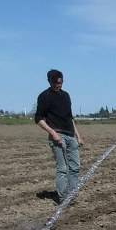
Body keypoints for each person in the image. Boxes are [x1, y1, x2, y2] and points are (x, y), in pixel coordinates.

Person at [34, 69, 83, 204]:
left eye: (60, 83)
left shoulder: (66, 96)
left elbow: (70, 117)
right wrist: (53, 133)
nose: (58, 85)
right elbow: (38, 119)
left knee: (75, 167)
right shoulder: (44, 96)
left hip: (70, 135)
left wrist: (78, 136)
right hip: (57, 135)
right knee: (62, 168)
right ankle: (63, 198)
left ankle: (72, 194)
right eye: (55, 83)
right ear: (49, 81)